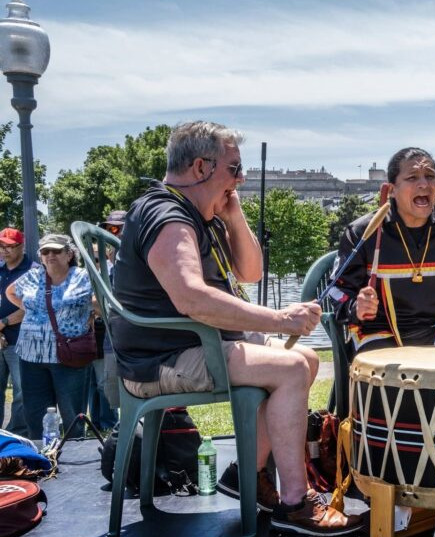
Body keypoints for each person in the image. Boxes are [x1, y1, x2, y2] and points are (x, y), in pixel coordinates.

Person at [110, 121, 362, 535]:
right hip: (162, 361)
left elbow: (249, 270)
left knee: (305, 357)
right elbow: (193, 299)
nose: (242, 178)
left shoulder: (199, 214)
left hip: (195, 347)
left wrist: (233, 211)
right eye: (235, 168)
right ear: (200, 167)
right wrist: (281, 319)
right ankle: (296, 505)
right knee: (291, 368)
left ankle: (244, 475)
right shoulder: (167, 214)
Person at [331, 147, 435, 351]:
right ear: (391, 189)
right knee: (389, 377)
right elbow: (337, 290)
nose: (424, 184)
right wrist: (356, 307)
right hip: (377, 333)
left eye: (430, 176)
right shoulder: (362, 232)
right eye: (412, 177)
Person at [5, 234, 93, 440]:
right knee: (36, 415)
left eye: (56, 251)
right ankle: (41, 460)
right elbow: (11, 292)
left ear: (69, 254)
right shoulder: (33, 275)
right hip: (31, 356)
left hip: (69, 356)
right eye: (45, 251)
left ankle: (75, 457)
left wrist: (89, 314)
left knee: (73, 417)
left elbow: (99, 302)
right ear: (41, 256)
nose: (50, 255)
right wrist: (30, 310)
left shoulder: (83, 276)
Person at [88, 211, 126, 431]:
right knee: (111, 389)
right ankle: (119, 433)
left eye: (120, 228)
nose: (116, 234)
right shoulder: (110, 263)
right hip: (114, 337)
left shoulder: (148, 252)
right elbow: (100, 300)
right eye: (111, 229)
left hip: (140, 339)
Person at [0, 227, 36, 436]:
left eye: (9, 247)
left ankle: (18, 433)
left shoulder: (33, 270)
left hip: (22, 341)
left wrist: (3, 322)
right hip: (2, 339)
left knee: (22, 391)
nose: (4, 251)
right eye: (1, 246)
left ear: (21, 246)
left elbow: (33, 306)